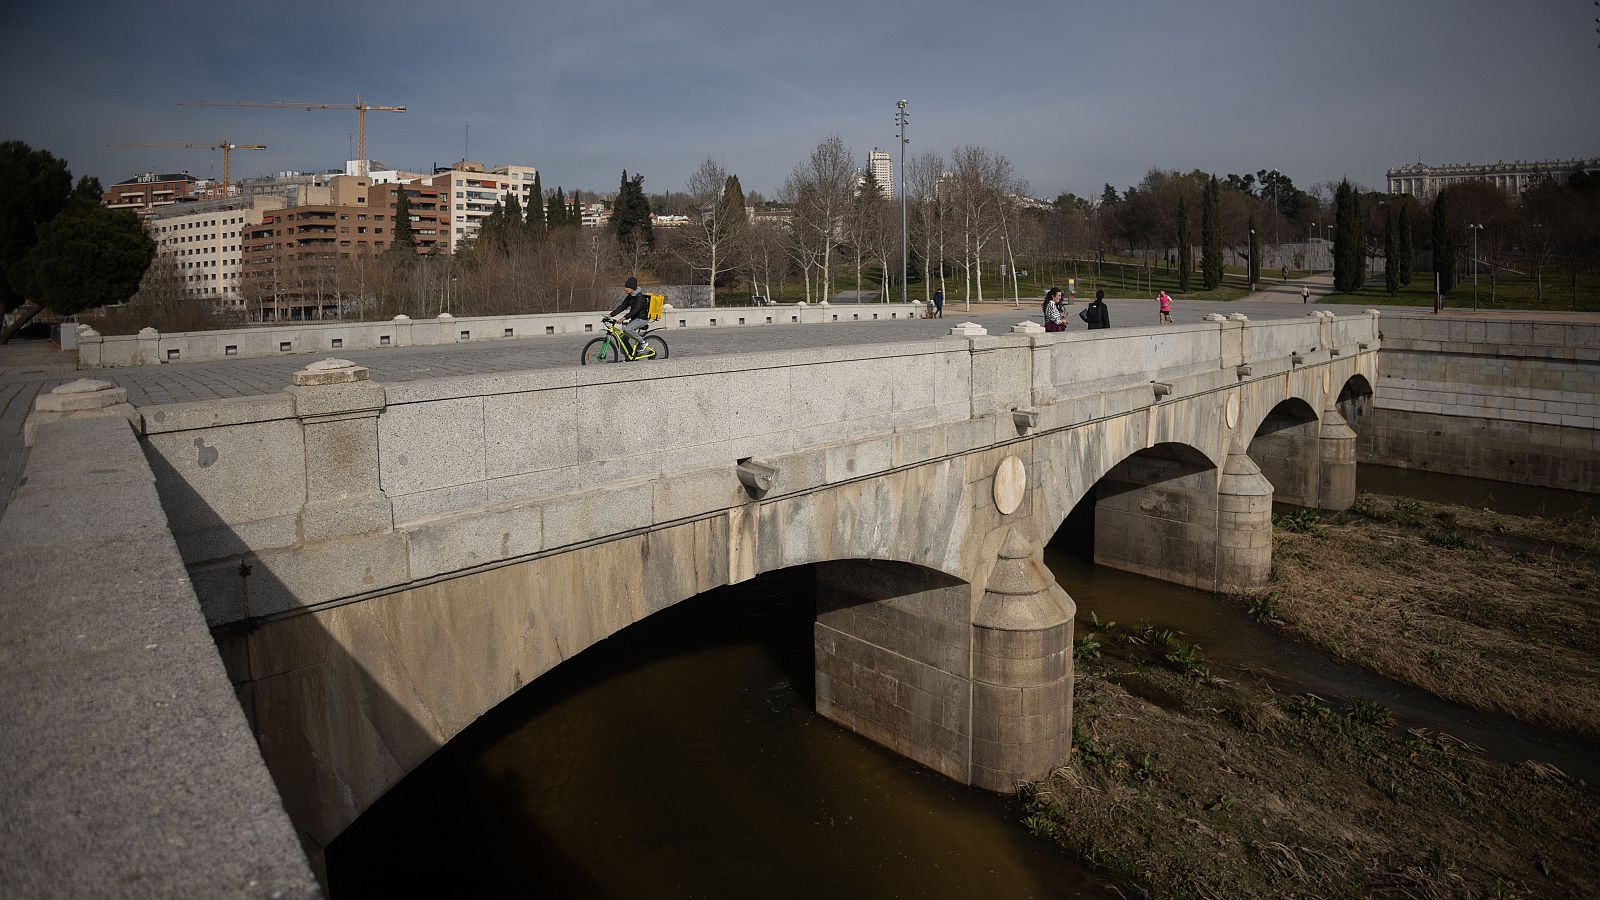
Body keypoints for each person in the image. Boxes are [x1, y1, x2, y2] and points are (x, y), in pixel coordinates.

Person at [608, 276, 654, 357]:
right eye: (625, 287)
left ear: (632, 288)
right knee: (623, 339)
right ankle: (630, 356)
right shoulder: (630, 296)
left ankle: (643, 343)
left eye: (627, 287)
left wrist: (624, 318)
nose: (625, 289)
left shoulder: (640, 297)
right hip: (635, 319)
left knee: (627, 329)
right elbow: (622, 307)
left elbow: (635, 310)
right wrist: (610, 315)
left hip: (642, 319)